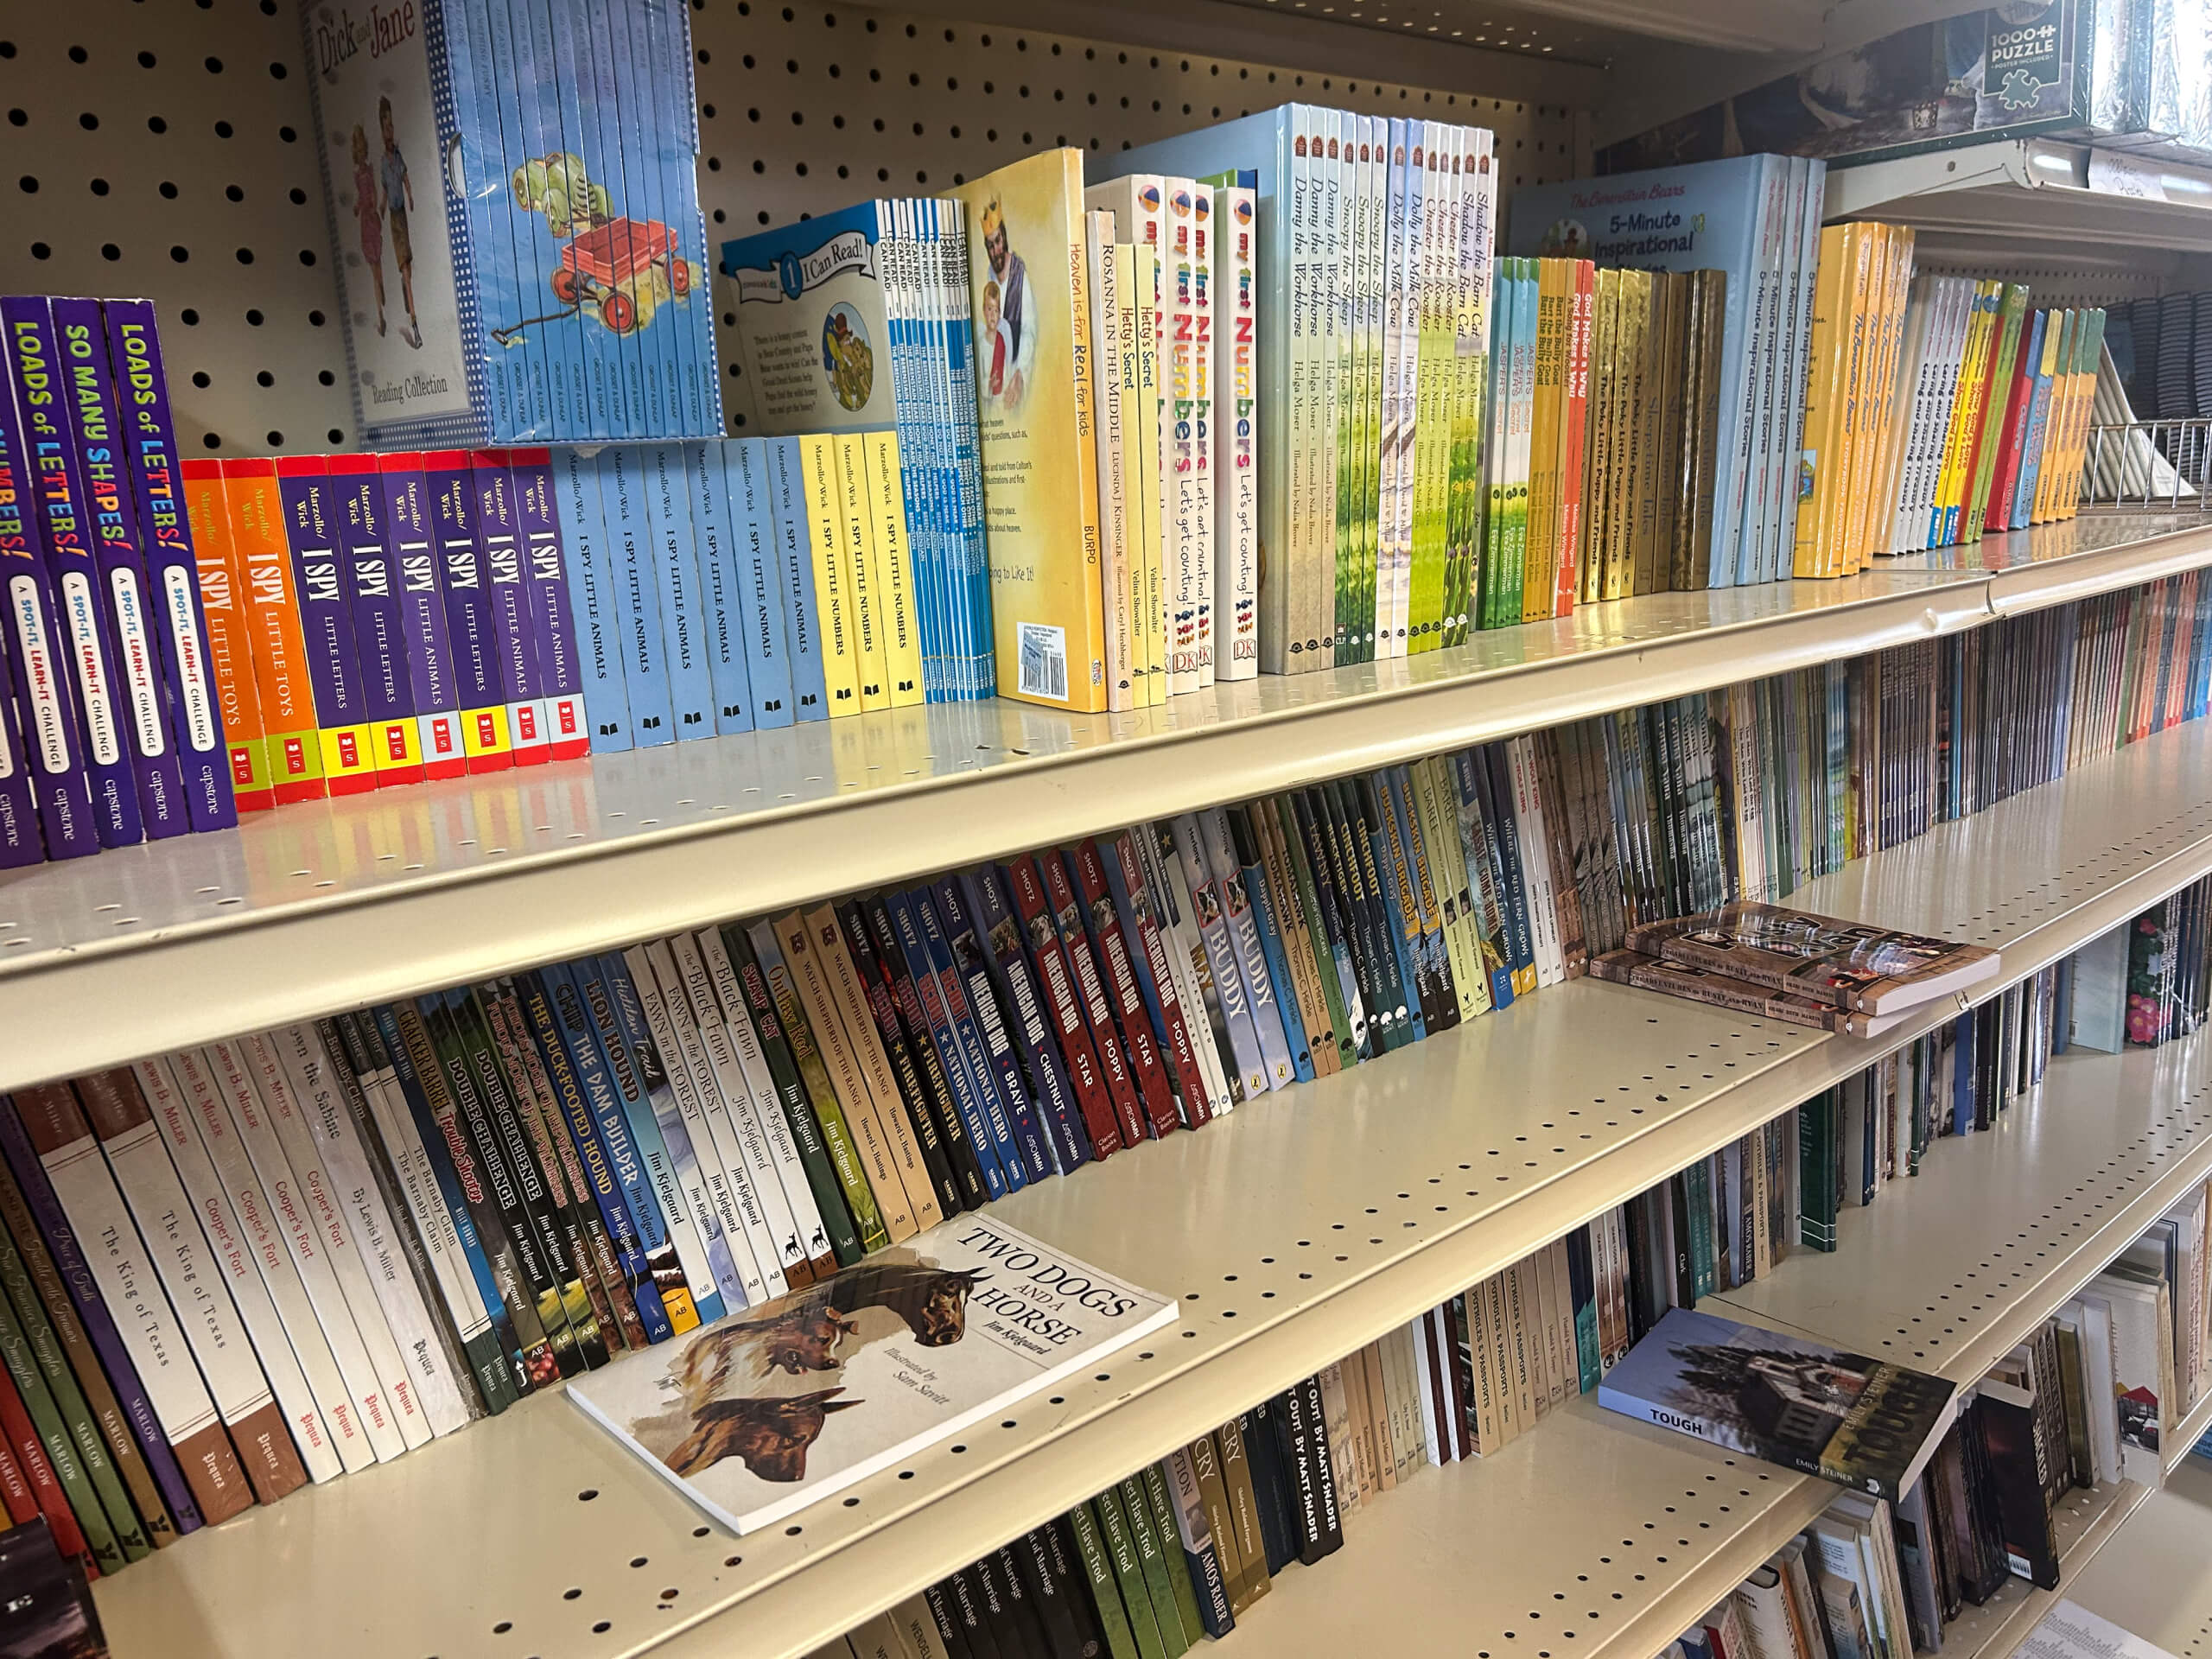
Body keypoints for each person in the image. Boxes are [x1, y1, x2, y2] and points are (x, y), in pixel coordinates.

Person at [979, 197, 1033, 410]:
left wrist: (1020, 374)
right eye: (990, 245)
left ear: (1005, 238)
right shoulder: (989, 274)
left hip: (1015, 376)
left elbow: (1030, 331)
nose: (995, 251)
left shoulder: (1020, 276)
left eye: (998, 241)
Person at [378, 97, 423, 349]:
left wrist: (412, 194)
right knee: (405, 268)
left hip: (402, 215)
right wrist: (381, 208)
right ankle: (414, 320)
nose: (390, 131)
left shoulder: (397, 156)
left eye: (391, 126)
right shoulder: (384, 163)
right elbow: (385, 189)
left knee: (408, 265)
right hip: (394, 217)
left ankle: (409, 295)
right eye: (386, 127)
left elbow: (405, 178)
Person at [350, 125, 386, 336]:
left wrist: (369, 207)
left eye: (362, 149)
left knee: (377, 267)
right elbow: (363, 198)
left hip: (370, 219)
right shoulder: (360, 175)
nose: (361, 154)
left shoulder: (367, 172)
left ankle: (382, 305)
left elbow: (370, 196)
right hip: (367, 220)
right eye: (358, 150)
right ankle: (380, 312)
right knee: (374, 267)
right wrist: (359, 207)